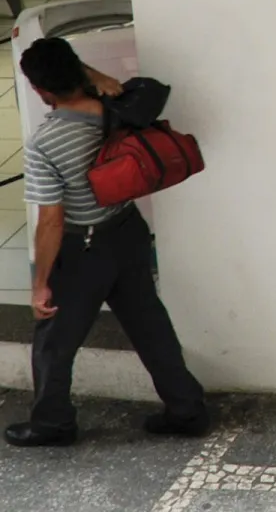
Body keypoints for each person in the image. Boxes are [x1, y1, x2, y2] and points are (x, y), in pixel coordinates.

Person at [8, 37, 207, 448]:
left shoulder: (44, 145)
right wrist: (91, 75)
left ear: (39, 90)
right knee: (150, 326)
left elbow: (51, 222)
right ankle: (186, 409)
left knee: (54, 342)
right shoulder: (115, 105)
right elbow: (97, 80)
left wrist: (40, 283)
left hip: (84, 250)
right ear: (78, 72)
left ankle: (53, 424)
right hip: (127, 232)